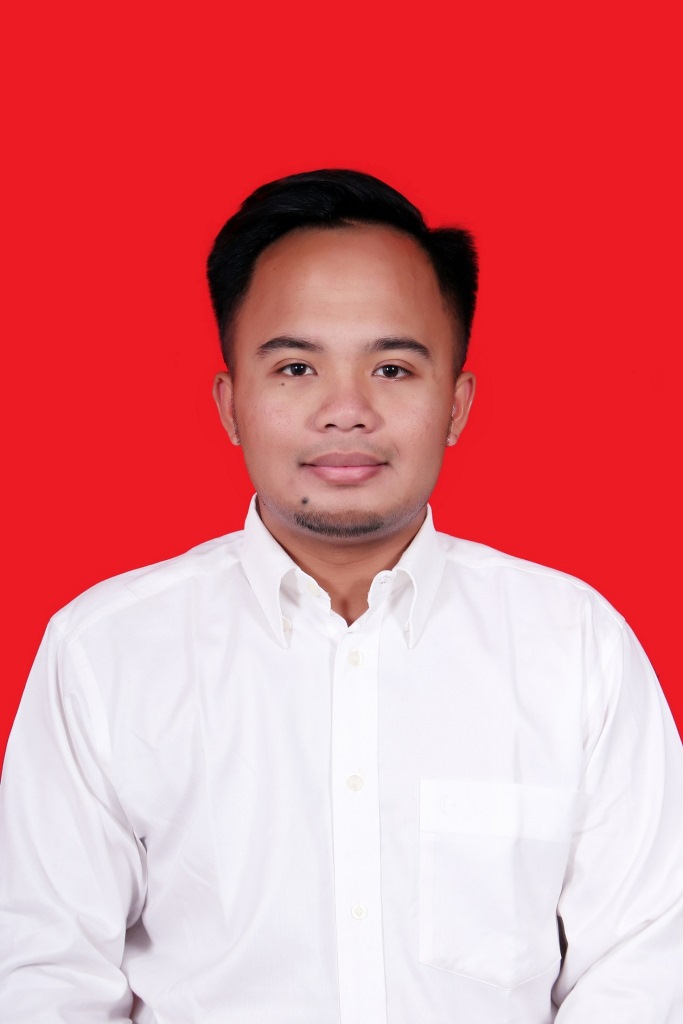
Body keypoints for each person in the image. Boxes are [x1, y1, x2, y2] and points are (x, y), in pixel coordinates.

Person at [1, 169, 681, 1024]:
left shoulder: (574, 646)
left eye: (392, 367)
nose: (346, 410)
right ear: (231, 404)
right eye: (295, 366)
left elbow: (645, 962)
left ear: (456, 404)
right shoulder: (105, 653)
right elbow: (43, 975)